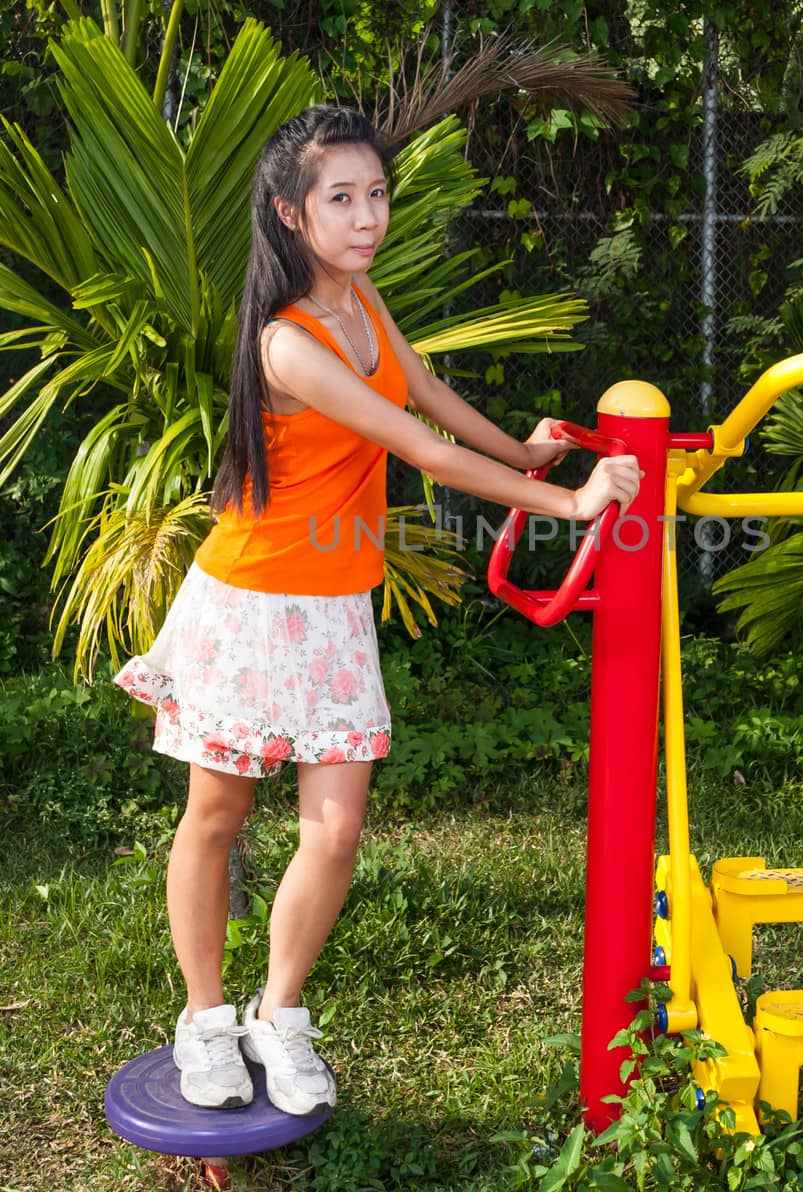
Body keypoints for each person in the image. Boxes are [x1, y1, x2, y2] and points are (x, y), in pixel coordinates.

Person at [114, 104, 640, 1117]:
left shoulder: (362, 301)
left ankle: (278, 1011)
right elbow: (422, 452)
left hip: (332, 608)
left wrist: (526, 452)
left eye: (378, 194)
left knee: (338, 829)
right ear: (289, 214)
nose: (368, 217)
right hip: (251, 602)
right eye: (341, 198)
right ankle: (204, 1019)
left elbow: (430, 393)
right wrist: (568, 501)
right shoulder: (288, 344)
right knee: (216, 815)